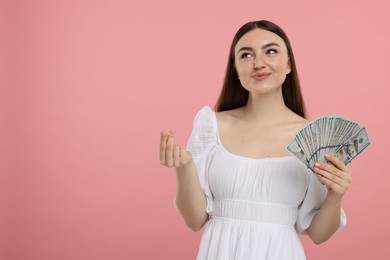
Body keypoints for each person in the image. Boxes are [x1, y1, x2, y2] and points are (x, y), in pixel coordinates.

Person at [159, 20, 351, 260]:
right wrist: (184, 168)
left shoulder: (313, 138)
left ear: (289, 63)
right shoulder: (210, 125)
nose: (258, 63)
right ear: (235, 69)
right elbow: (195, 220)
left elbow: (318, 234)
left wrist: (335, 195)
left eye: (270, 51)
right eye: (246, 55)